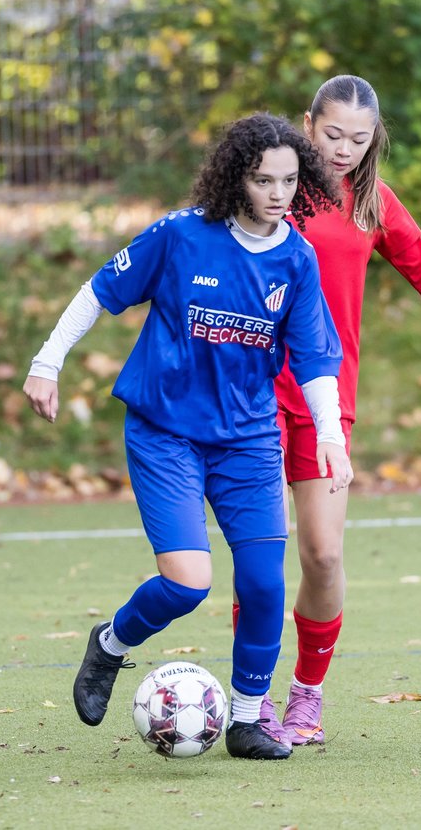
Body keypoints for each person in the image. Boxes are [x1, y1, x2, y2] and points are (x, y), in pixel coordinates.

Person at [23, 113, 354, 760]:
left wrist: (329, 437)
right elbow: (100, 290)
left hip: (249, 440)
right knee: (187, 583)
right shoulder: (182, 236)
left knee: (263, 584)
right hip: (166, 433)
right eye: (264, 180)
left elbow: (316, 359)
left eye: (289, 180)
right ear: (237, 178)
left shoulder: (297, 257)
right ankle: (110, 645)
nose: (279, 193)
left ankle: (246, 720)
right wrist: (47, 361)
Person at [243, 75, 421, 746]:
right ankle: (253, 701)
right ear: (308, 125)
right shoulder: (269, 190)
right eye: (332, 135)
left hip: (325, 399)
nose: (343, 150)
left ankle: (307, 695)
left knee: (324, 555)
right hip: (248, 393)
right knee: (260, 558)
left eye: (359, 140)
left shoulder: (372, 203)